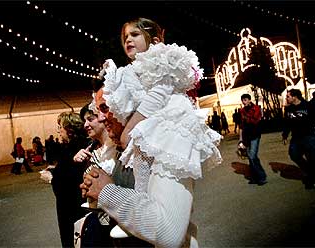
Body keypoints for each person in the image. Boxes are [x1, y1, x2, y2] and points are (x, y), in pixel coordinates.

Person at [81, 17, 222, 247]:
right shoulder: (127, 142)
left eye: (108, 107)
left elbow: (167, 231)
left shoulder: (169, 131)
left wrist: (107, 192)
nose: (102, 117)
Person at [48, 111, 89, 247]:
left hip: (73, 208)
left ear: (70, 129)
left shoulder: (75, 149)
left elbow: (70, 180)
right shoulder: (73, 147)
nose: (58, 131)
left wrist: (52, 177)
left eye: (60, 127)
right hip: (72, 207)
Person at [282, 89, 315, 189]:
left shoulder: (307, 106)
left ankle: (313, 180)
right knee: (294, 155)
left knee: (311, 158)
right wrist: (285, 135)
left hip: (309, 136)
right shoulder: (288, 109)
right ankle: (311, 172)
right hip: (296, 137)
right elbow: (287, 123)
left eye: (288, 96)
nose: (287, 98)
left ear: (295, 97)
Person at [238, 94, 267, 186]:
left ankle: (262, 176)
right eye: (243, 100)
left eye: (245, 100)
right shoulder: (242, 110)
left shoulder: (256, 108)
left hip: (255, 135)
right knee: (250, 158)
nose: (244, 102)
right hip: (246, 136)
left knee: (252, 156)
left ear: (250, 100)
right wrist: (240, 139)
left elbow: (255, 120)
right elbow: (241, 126)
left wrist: (246, 117)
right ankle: (255, 177)